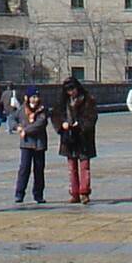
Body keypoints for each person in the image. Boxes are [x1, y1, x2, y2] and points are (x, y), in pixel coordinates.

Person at [55, 74, 99, 203]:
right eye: (68, 90)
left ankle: (84, 192)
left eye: (72, 89)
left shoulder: (87, 99)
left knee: (84, 166)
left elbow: (92, 117)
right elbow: (56, 115)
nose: (71, 92)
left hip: (83, 137)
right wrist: (61, 124)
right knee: (72, 167)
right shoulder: (63, 101)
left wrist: (80, 124)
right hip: (68, 138)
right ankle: (74, 193)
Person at [14, 87, 49, 205]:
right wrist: (17, 127)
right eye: (33, 97)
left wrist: (26, 131)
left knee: (39, 170)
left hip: (39, 144)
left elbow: (40, 123)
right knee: (24, 169)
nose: (35, 99)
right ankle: (19, 193)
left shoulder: (42, 110)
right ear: (27, 98)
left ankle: (38, 195)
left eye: (36, 97)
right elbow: (12, 118)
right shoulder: (22, 109)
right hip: (26, 144)